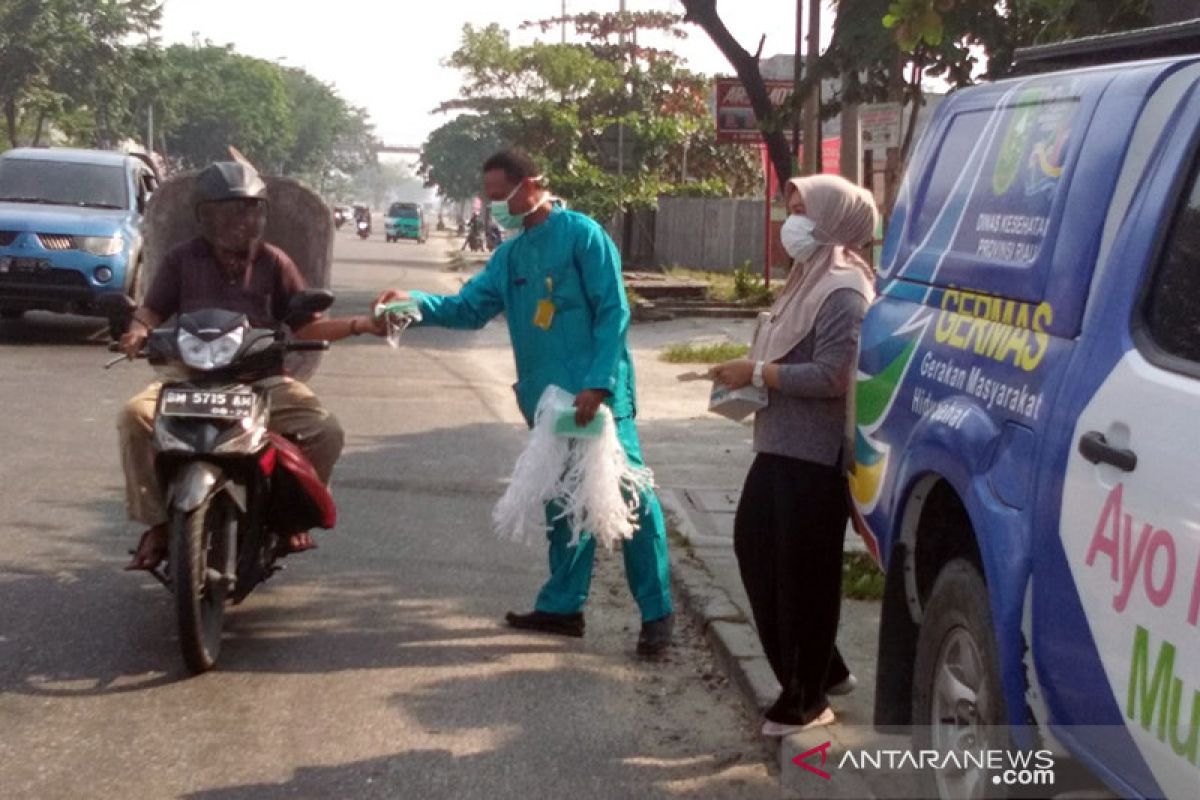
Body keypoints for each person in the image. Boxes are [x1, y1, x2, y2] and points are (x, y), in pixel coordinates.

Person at [373, 149, 674, 656]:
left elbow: (613, 311)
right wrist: (411, 304)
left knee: (631, 498)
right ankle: (562, 607)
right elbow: (467, 309)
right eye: (491, 199)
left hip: (599, 399)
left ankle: (657, 614)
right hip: (548, 404)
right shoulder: (510, 256)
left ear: (532, 184)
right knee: (561, 502)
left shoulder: (583, 236)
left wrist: (598, 383)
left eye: (500, 196)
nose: (496, 207)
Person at [120, 161, 385, 571]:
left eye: (249, 211)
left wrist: (359, 325)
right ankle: (156, 523)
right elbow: (151, 310)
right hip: (187, 376)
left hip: (260, 379)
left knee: (326, 431)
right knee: (134, 417)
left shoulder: (274, 262)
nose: (241, 222)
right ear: (205, 216)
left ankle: (289, 517)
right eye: (229, 211)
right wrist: (138, 331)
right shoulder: (180, 260)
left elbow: (308, 324)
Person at [710, 174, 877, 736]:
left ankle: (806, 698)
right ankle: (822, 668)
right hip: (781, 446)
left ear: (835, 218)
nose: (792, 224)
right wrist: (749, 374)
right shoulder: (807, 280)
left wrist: (756, 373)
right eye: (791, 210)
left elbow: (834, 376)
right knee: (755, 549)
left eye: (804, 210)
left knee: (804, 575)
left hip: (815, 457)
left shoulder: (845, 290)